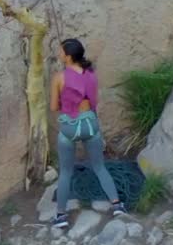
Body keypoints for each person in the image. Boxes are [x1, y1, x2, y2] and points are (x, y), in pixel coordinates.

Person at [50, 38, 126, 228]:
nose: (59, 54)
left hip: (69, 127)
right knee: (100, 167)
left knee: (66, 172)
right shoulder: (91, 74)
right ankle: (117, 205)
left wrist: (65, 103)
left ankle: (60, 216)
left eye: (61, 52)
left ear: (68, 57)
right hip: (90, 125)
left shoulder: (59, 78)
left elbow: (53, 107)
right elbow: (93, 101)